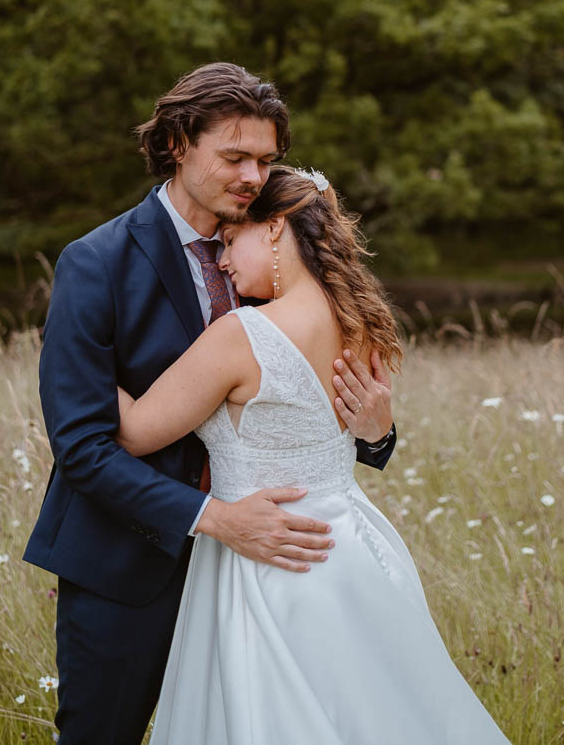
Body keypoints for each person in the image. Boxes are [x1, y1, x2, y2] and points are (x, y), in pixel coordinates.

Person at [24, 62, 398, 745]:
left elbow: (306, 402)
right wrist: (216, 518)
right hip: (127, 568)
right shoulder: (96, 263)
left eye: (265, 159)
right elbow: (81, 447)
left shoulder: (269, 253)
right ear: (177, 143)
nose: (253, 175)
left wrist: (377, 434)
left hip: (260, 577)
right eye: (235, 156)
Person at [114, 165, 509, 743]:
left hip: (270, 563)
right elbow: (362, 434)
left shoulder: (242, 335)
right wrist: (381, 434)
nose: (222, 260)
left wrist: (76, 356)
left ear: (274, 228)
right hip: (353, 552)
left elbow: (135, 433)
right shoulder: (360, 324)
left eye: (229, 241)